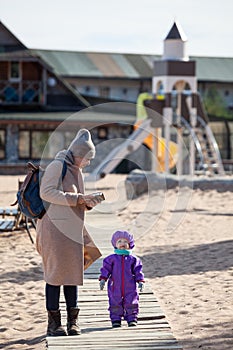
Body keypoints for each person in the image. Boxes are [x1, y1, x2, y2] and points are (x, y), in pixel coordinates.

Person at [36, 129, 103, 337]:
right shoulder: (58, 166)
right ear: (79, 154)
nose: (88, 163)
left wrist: (87, 202)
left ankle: (73, 322)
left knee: (73, 274)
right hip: (53, 230)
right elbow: (46, 193)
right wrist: (78, 199)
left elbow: (77, 199)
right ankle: (54, 324)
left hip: (71, 229)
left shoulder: (77, 171)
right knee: (55, 276)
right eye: (87, 158)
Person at [99, 230, 145, 328]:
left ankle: (132, 318)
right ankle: (116, 319)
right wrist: (103, 278)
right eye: (119, 241)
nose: (122, 244)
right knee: (115, 301)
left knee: (131, 301)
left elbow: (138, 271)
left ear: (130, 244)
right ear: (115, 244)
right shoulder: (111, 259)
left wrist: (140, 280)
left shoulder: (134, 259)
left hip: (130, 286)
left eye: (125, 242)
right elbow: (106, 269)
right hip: (115, 285)